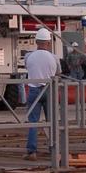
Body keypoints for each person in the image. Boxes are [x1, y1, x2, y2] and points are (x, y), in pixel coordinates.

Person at [24, 26, 59, 160]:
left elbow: (28, 67)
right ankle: (54, 149)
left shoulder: (29, 56)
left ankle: (32, 151)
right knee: (52, 121)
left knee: (33, 122)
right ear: (48, 42)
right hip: (49, 90)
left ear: (36, 41)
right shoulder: (54, 57)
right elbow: (58, 73)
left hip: (34, 90)